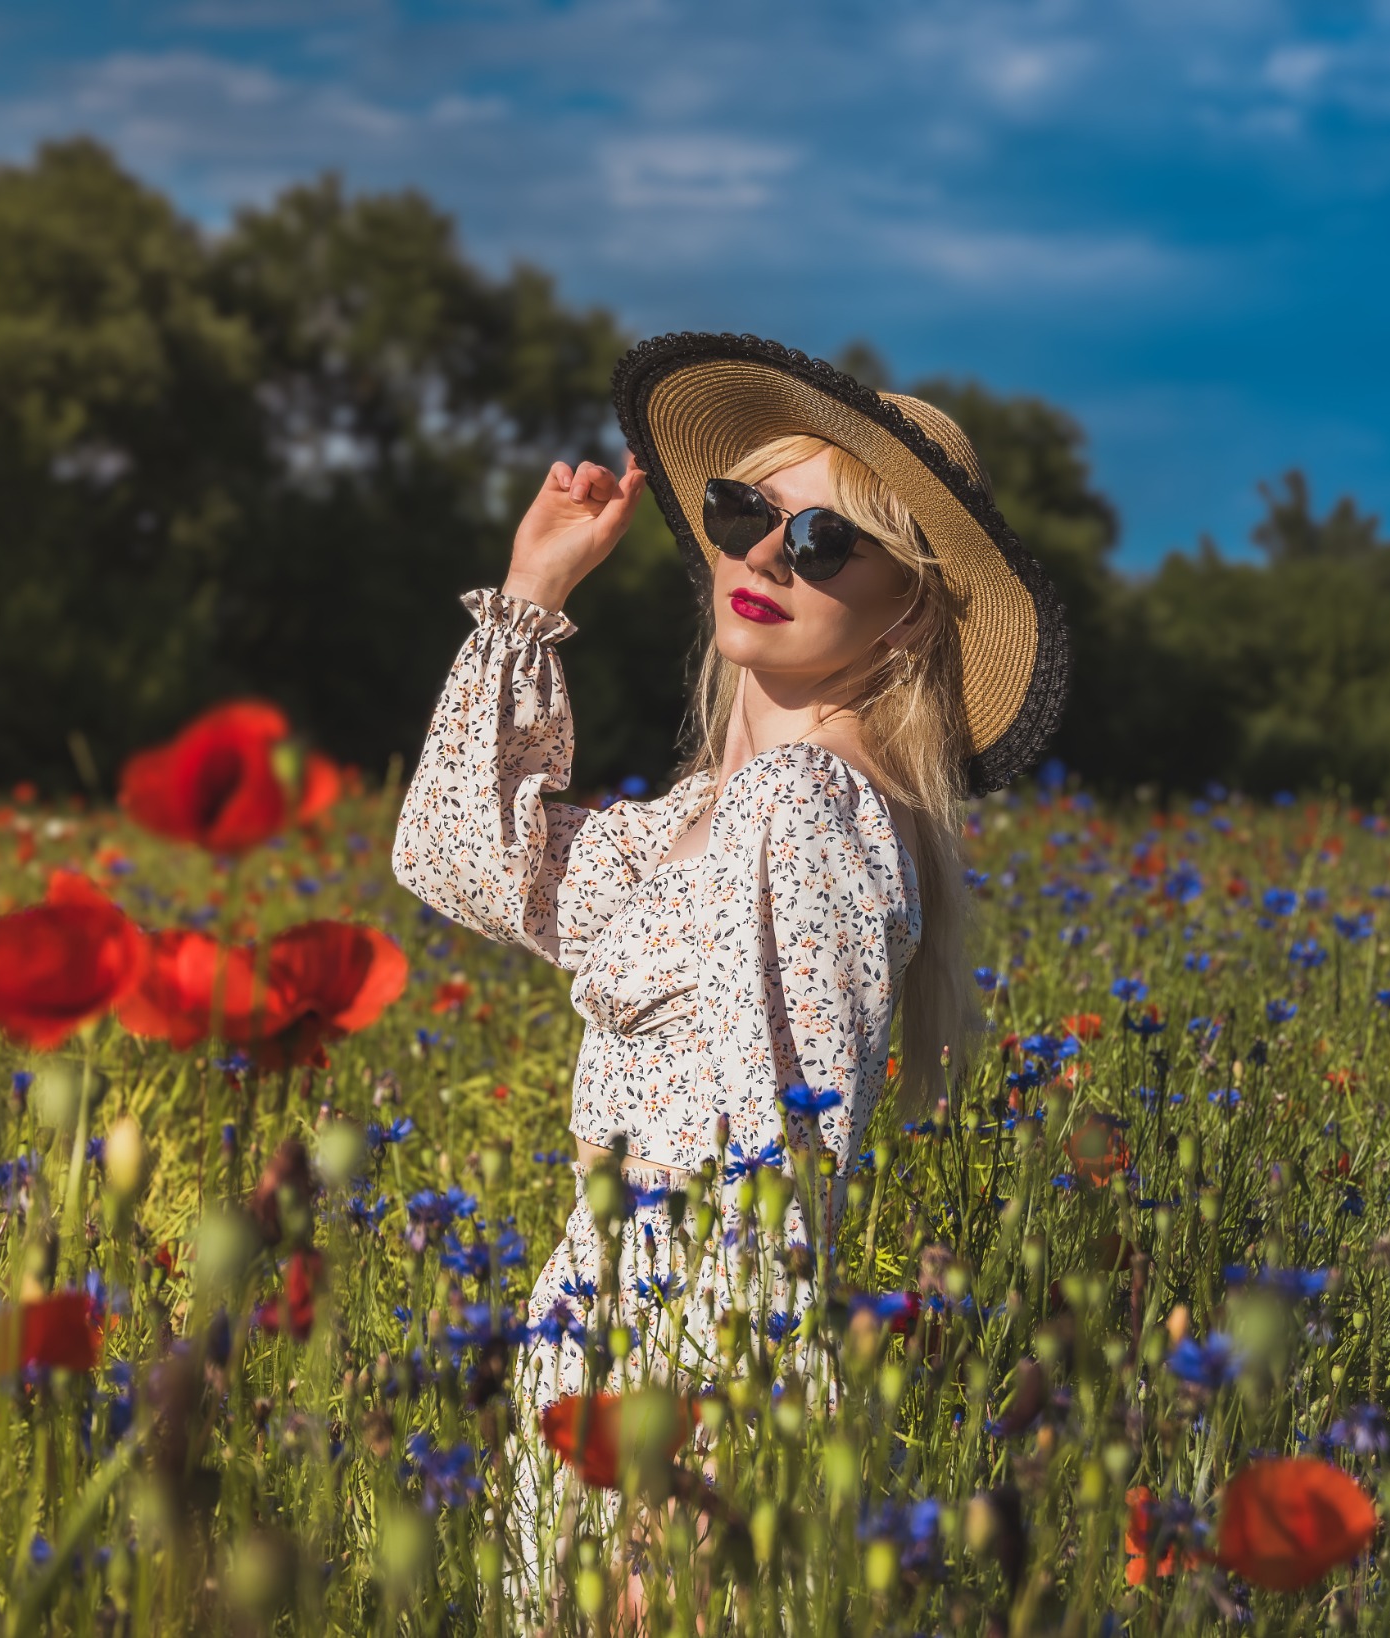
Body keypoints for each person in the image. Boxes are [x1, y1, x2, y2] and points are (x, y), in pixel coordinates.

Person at [390, 333, 1071, 1593]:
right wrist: (528, 601)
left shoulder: (804, 810)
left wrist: (695, 1472)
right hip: (595, 1319)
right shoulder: (690, 821)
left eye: (823, 541)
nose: (764, 556)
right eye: (744, 513)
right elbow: (456, 860)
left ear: (910, 605)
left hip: (684, 1361)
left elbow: (778, 1171)